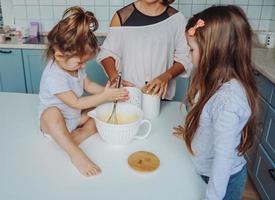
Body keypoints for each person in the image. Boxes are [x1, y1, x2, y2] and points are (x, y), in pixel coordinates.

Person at [173, 5, 259, 200]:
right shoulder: (210, 80)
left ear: (215, 52)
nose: (189, 54)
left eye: (192, 49)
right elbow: (207, 121)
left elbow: (223, 161)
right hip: (204, 170)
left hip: (222, 182)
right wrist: (190, 133)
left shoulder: (228, 100)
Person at [38, 7, 129, 177]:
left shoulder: (74, 67)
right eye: (79, 63)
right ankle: (75, 154)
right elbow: (76, 102)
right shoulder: (54, 76)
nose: (83, 66)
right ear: (58, 56)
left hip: (73, 119)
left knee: (102, 114)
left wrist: (109, 93)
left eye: (84, 62)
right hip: (54, 126)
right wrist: (104, 96)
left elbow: (87, 85)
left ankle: (78, 136)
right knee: (51, 113)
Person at [97, 0, 192, 100]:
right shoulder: (122, 17)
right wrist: (114, 76)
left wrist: (166, 76)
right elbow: (107, 53)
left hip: (160, 95)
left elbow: (184, 58)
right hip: (127, 94)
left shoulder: (177, 19)